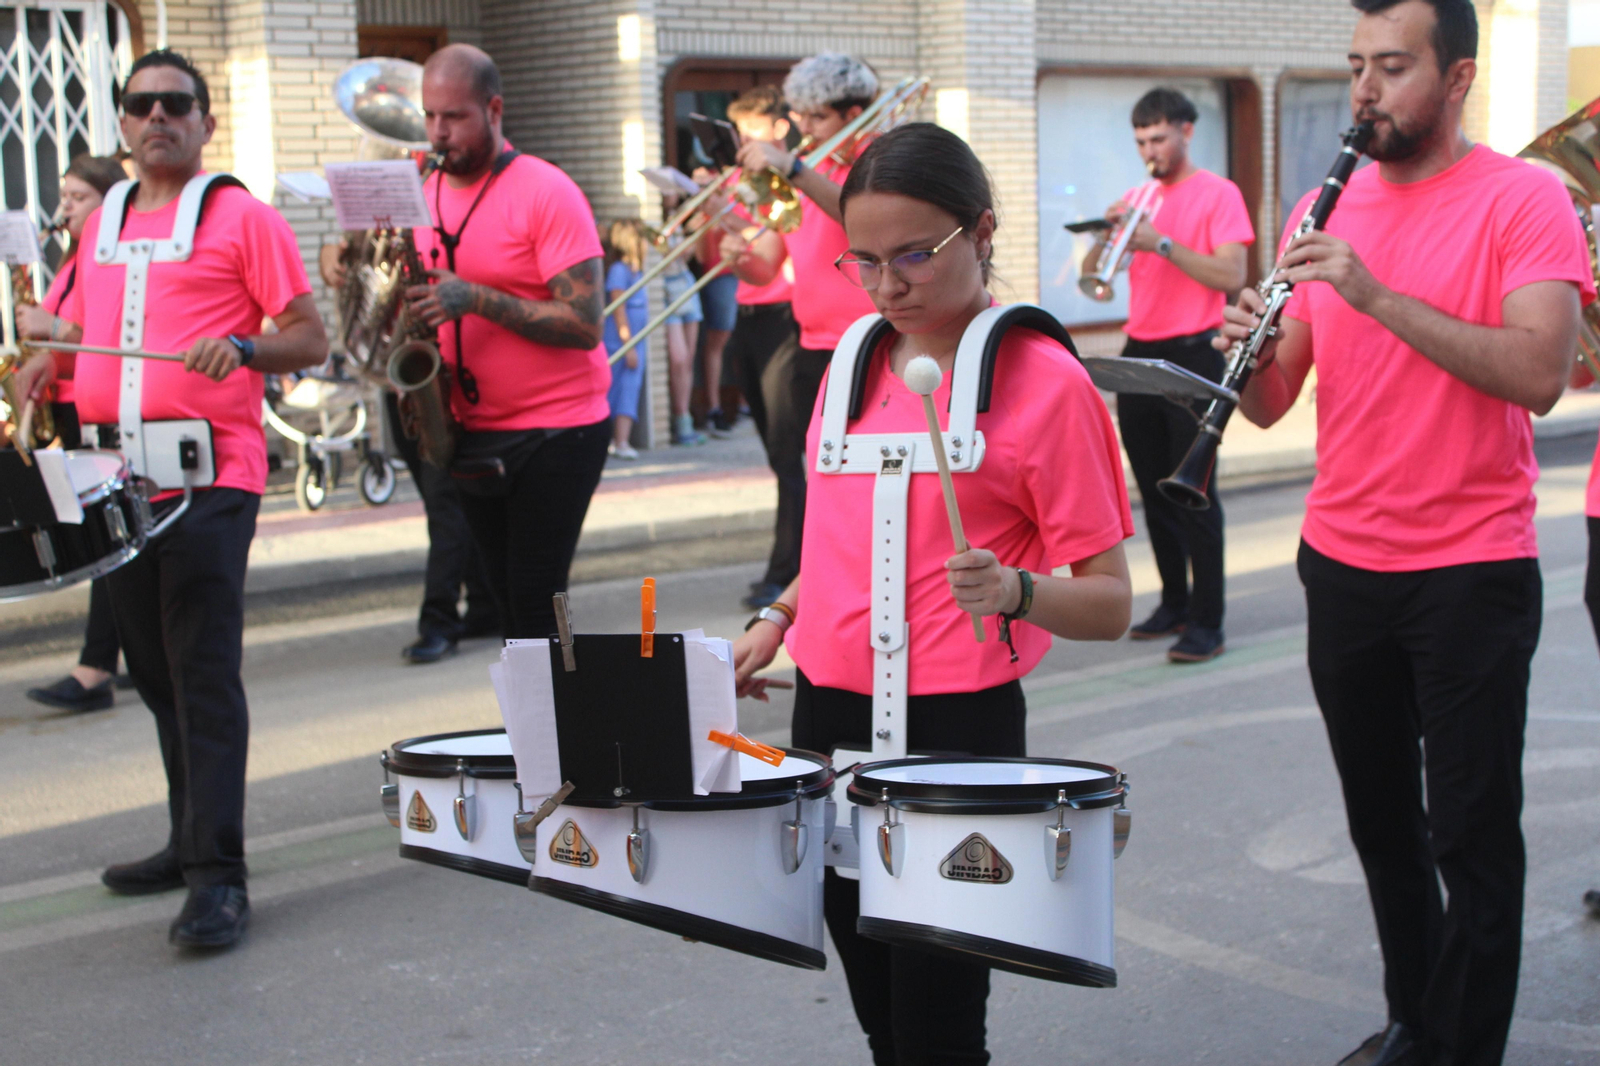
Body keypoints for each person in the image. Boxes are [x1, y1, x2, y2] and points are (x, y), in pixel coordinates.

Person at [1219, 1, 1594, 1061]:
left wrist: (1374, 295)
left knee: (1469, 835)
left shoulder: (1525, 200)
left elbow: (1537, 377)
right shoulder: (1320, 206)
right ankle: (1413, 1021)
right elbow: (1274, 400)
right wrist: (1245, 348)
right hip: (1341, 559)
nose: (1365, 93)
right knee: (1382, 827)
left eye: (1392, 67)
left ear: (1458, 76)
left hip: (1470, 568)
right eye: (1354, 67)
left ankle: (1462, 1047)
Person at [732, 122, 1134, 1066]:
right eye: (863, 260)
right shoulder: (847, 370)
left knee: (941, 1026)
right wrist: (778, 617)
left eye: (914, 254)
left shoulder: (1048, 384)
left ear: (982, 232)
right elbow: (840, 546)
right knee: (880, 1011)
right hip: (829, 717)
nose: (886, 285)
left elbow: (1110, 602)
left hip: (960, 729)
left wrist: (1018, 590)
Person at [12, 48, 329, 948]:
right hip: (109, 476)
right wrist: (50, 360)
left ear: (204, 120)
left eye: (176, 104)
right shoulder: (103, 216)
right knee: (150, 670)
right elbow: (90, 332)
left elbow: (308, 337)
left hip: (209, 474)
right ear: (122, 120)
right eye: (141, 104)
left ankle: (218, 877)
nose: (158, 117)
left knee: (199, 672)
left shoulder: (242, 217)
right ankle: (188, 840)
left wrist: (245, 346)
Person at [402, 44, 610, 642]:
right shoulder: (421, 187)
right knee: (504, 603)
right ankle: (538, 725)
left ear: (494, 110)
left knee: (538, 596)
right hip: (472, 424)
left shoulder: (547, 191)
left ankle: (566, 721)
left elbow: (584, 323)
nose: (439, 133)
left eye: (455, 117)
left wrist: (476, 299)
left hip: (557, 429)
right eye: (430, 117)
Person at [1095, 87, 1252, 663]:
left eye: (1158, 137)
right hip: (1141, 349)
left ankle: (1208, 623)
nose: (1149, 150)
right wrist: (1102, 238)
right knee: (1153, 489)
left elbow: (1231, 272)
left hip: (1194, 351)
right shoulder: (1137, 197)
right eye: (1140, 140)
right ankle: (1175, 602)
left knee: (1195, 492)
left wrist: (1160, 243)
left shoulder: (1219, 193)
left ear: (1186, 131)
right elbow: (1097, 275)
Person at [721, 53, 879, 609]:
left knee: (861, 483)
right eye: (801, 117)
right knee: (813, 472)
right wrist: (737, 251)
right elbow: (769, 259)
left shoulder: (872, 163)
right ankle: (821, 581)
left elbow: (862, 220)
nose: (804, 130)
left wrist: (791, 167)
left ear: (854, 113)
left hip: (866, 348)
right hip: (811, 342)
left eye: (816, 118)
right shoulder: (805, 167)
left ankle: (853, 583)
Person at [318, 249, 501, 665]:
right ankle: (485, 605)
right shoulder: (380, 222)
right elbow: (352, 260)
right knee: (444, 501)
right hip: (396, 375)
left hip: (445, 370)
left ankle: (439, 621)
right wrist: (330, 257)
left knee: (446, 506)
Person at [20, 154, 136, 712]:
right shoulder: (73, 262)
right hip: (70, 409)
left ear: (111, 201)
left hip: (103, 410)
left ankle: (96, 668)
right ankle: (127, 656)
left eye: (78, 197)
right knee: (114, 548)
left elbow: (112, 336)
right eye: (63, 196)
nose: (65, 207)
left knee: (106, 546)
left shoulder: (112, 258)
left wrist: (56, 332)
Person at [715, 85, 800, 602]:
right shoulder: (747, 180)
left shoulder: (784, 180)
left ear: (778, 129)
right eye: (739, 130)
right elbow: (746, 253)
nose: (744, 139)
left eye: (753, 129)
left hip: (785, 317)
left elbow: (773, 247)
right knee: (775, 453)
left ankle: (785, 574)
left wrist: (742, 227)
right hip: (746, 314)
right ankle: (785, 568)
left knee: (789, 456)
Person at [603, 218, 649, 459]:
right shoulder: (620, 270)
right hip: (620, 343)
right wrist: (628, 343)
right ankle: (618, 441)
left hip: (633, 342)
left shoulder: (635, 270)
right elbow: (618, 308)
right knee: (617, 389)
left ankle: (621, 440)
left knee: (629, 388)